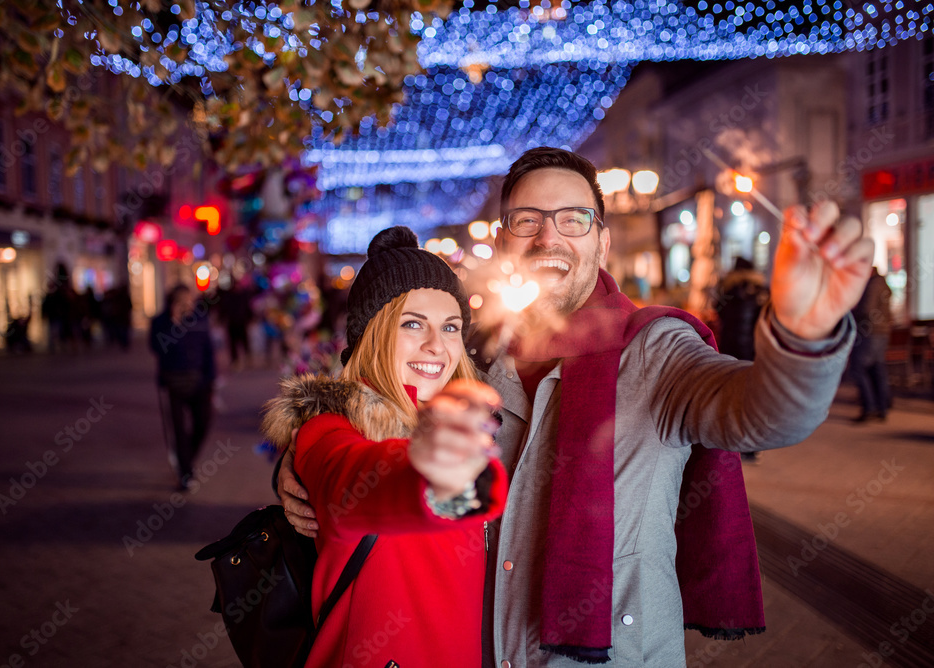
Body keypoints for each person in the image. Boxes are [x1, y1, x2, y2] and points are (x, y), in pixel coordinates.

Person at [278, 147, 873, 667]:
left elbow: (764, 415)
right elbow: (369, 440)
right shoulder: (476, 359)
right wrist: (301, 462)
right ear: (503, 239)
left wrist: (804, 337)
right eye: (527, 220)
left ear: (602, 240)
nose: (548, 236)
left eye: (573, 218)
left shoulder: (655, 350)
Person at [261, 226, 508, 668]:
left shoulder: (476, 421)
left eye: (450, 327)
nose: (437, 345)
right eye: (412, 324)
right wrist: (431, 473)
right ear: (372, 333)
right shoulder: (328, 429)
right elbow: (355, 474)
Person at [149, 285, 216, 490]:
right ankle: (185, 473)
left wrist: (211, 380)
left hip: (199, 382)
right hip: (173, 382)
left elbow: (208, 350)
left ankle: (185, 458)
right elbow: (158, 348)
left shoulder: (200, 319)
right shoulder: (160, 322)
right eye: (182, 302)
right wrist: (173, 324)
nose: (187, 305)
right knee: (177, 429)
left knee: (203, 423)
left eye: (190, 301)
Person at [714, 256, 770, 462]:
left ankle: (736, 442)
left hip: (731, 349)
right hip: (755, 350)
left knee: (733, 396)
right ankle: (753, 446)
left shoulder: (728, 290)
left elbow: (718, 311)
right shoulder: (763, 291)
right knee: (754, 397)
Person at [848, 266, 893, 422]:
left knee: (858, 368)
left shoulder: (872, 285)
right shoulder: (883, 283)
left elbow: (867, 309)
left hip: (870, 332)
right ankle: (883, 406)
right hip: (881, 332)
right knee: (877, 369)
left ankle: (869, 407)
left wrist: (850, 311)